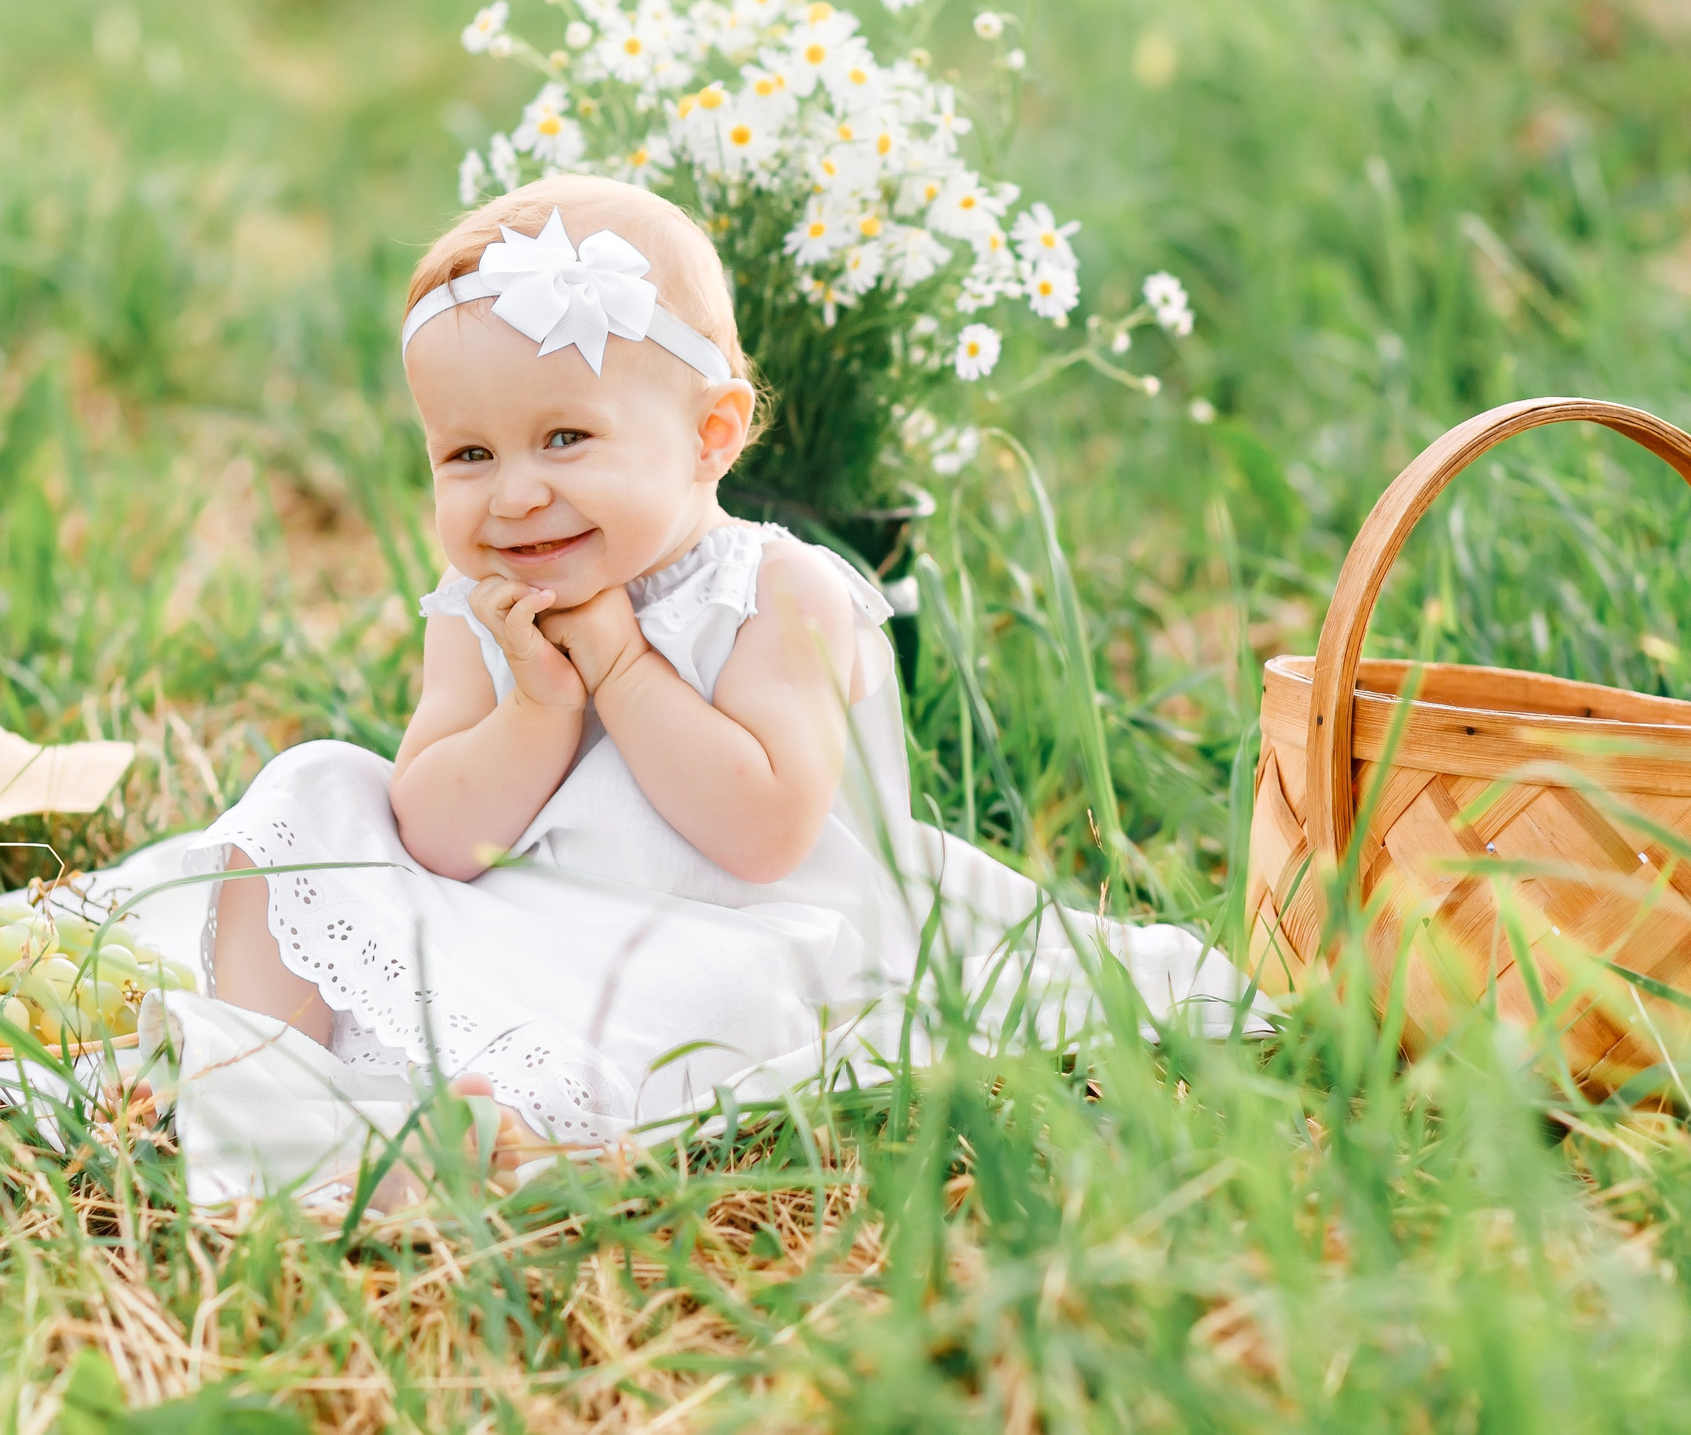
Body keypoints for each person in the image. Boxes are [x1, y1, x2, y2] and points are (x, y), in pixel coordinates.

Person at [112, 172, 1244, 1176]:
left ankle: (479, 1129)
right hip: (507, 913)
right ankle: (263, 1066)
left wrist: (617, 661)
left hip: (715, 922)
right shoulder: (481, 608)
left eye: (564, 440)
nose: (512, 494)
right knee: (317, 788)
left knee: (703, 1006)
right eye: (468, 454)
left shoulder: (776, 593)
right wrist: (541, 703)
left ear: (710, 437)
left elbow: (761, 835)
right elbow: (437, 840)